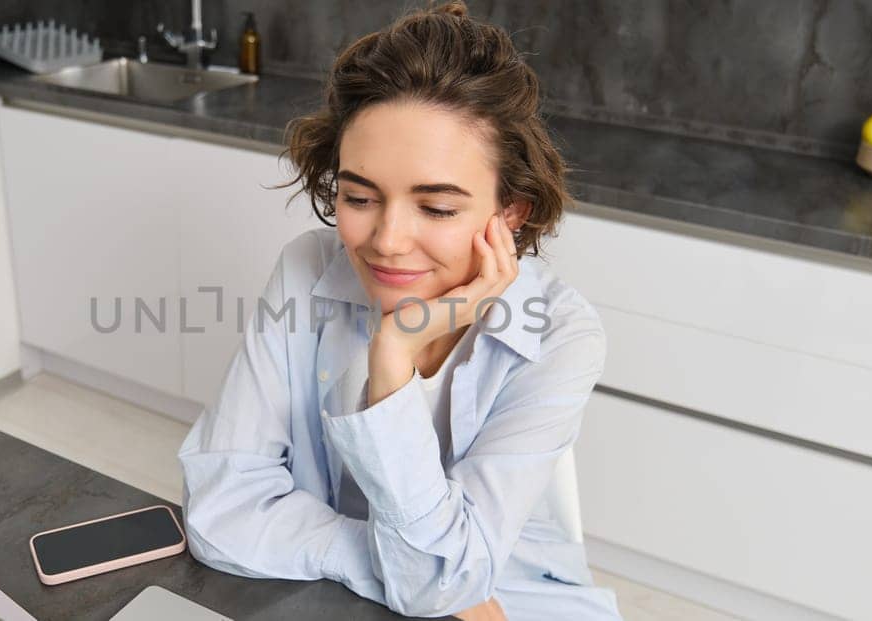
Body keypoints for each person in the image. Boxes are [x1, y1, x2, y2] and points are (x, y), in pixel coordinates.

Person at [177, 2, 619, 619]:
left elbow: (454, 582)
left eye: (436, 209)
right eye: (358, 196)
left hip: (512, 594)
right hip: (347, 586)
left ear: (511, 211)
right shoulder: (306, 267)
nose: (386, 239)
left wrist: (391, 361)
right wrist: (404, 565)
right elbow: (221, 508)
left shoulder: (561, 333)